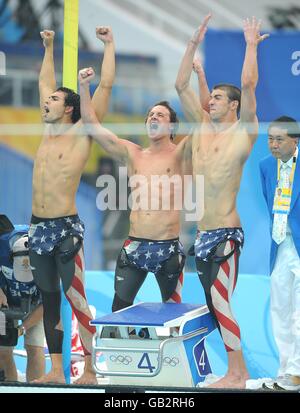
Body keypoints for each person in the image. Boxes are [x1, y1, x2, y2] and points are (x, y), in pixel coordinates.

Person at [175, 15, 269, 388]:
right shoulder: (200, 129)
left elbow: (248, 83)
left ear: (233, 107)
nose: (209, 99)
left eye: (216, 97)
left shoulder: (242, 133)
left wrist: (250, 45)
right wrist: (192, 44)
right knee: (215, 306)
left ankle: (238, 372)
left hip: (227, 233)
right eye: (209, 96)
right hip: (202, 234)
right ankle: (232, 369)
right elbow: (180, 82)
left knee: (221, 300)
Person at [28, 26, 115, 385]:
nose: (45, 102)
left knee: (76, 300)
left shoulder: (83, 133)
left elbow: (106, 88)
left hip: (65, 228)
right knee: (49, 302)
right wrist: (48, 47)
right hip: (37, 227)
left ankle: (92, 370)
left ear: (69, 110)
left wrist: (108, 45)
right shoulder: (48, 131)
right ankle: (55, 371)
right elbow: (44, 81)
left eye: (52, 101)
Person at [78, 67, 193, 314]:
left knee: (173, 314)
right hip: (134, 246)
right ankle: (115, 354)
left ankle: (171, 354)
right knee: (118, 310)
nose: (153, 117)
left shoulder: (182, 155)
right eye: (151, 115)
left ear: (172, 126)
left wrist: (195, 83)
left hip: (168, 248)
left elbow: (204, 125)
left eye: (160, 115)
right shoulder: (133, 154)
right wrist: (84, 87)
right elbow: (92, 125)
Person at [259, 116, 300, 390]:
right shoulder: (265, 166)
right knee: (280, 309)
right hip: (280, 244)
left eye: (279, 139)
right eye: (270, 139)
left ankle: (297, 371)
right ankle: (286, 368)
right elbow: (269, 204)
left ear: (295, 140)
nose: (273, 144)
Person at [0, 215, 45, 382]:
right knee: (3, 349)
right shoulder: (2, 245)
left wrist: (23, 328)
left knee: (34, 346)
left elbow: (47, 304)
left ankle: (36, 391)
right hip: (6, 300)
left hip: (36, 302)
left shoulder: (47, 258)